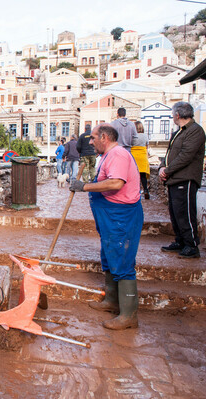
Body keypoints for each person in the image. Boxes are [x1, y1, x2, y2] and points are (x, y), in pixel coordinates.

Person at [70, 124, 143, 330]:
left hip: (121, 217)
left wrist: (84, 186)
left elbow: (115, 183)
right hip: (111, 217)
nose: (90, 142)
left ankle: (129, 315)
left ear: (104, 137)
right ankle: (112, 301)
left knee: (122, 260)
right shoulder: (108, 156)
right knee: (111, 256)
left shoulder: (118, 154)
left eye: (93, 138)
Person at [159, 101, 205, 259]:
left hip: (185, 178)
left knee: (185, 212)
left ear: (177, 115)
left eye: (173, 114)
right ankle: (181, 241)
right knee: (175, 212)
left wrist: (167, 170)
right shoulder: (179, 132)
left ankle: (191, 245)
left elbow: (186, 156)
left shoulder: (195, 131)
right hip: (174, 178)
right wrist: (161, 168)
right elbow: (169, 154)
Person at [131, 121, 150, 200]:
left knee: (135, 176)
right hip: (142, 156)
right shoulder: (145, 136)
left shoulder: (132, 136)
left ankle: (136, 192)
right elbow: (147, 146)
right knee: (143, 176)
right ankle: (145, 190)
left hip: (134, 156)